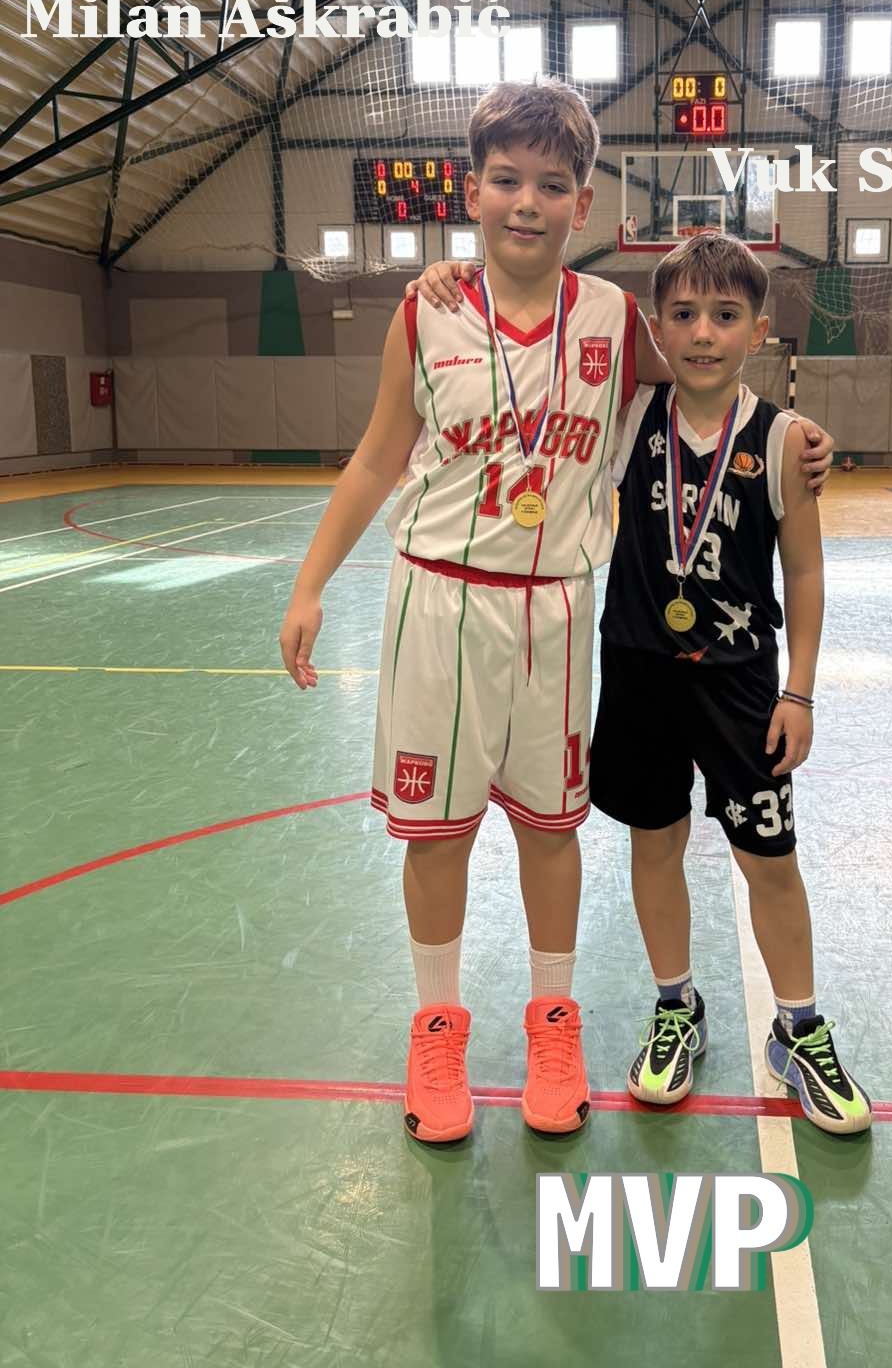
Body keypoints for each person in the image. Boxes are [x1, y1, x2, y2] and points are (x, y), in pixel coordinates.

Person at [283, 80, 833, 1148]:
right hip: (438, 603)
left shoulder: (616, 320)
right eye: (506, 180)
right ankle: (436, 1027)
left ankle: (553, 1023)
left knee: (551, 830)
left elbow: (715, 385)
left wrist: (804, 435)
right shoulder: (426, 310)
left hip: (556, 615)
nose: (526, 202)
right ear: (472, 191)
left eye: (550, 185)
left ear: (584, 204)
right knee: (437, 836)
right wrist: (311, 582)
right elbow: (379, 454)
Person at [590, 232, 871, 1134]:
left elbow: (807, 572)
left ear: (758, 329)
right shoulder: (630, 417)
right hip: (640, 671)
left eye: (724, 314)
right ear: (657, 326)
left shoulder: (784, 440)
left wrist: (801, 691)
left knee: (770, 861)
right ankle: (677, 1004)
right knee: (654, 845)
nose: (703, 332)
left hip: (742, 684)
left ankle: (800, 1028)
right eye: (683, 314)